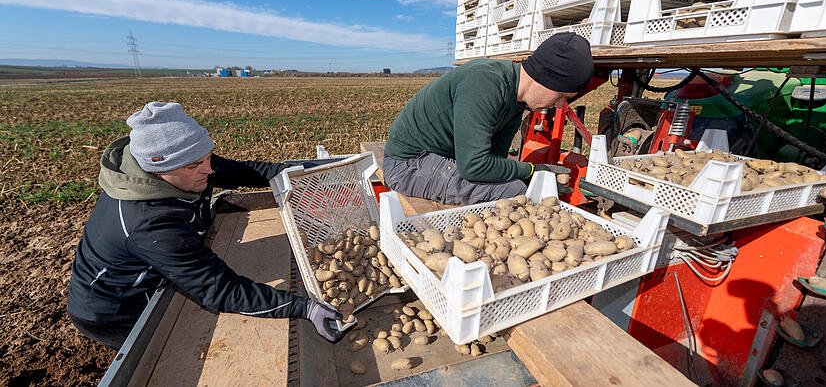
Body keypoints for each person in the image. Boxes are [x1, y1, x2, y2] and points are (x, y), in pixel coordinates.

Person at [67, 102, 342, 351]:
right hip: (115, 307)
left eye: (208, 157)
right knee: (168, 355)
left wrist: (301, 171)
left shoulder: (188, 163)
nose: (209, 170)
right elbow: (220, 289)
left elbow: (244, 172)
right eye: (197, 164)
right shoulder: (149, 224)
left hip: (159, 263)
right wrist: (304, 308)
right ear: (157, 169)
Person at [383, 32, 594, 205]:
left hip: (441, 158)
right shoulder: (485, 82)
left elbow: (494, 161)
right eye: (562, 96)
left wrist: (530, 176)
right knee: (514, 191)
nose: (559, 105)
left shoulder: (516, 101)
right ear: (546, 78)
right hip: (409, 163)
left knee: (513, 184)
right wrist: (530, 170)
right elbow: (474, 165)